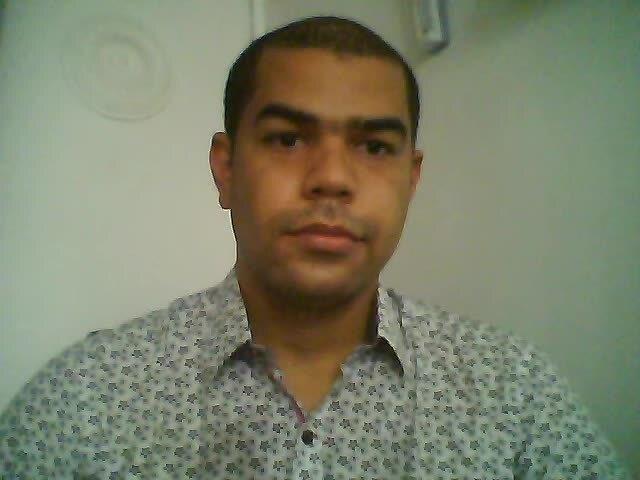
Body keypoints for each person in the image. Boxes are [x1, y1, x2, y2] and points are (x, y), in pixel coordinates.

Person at [0, 15, 631, 479]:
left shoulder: (515, 395)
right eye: (287, 139)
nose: (332, 177)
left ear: (410, 180)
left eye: (375, 147)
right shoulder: (82, 401)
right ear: (226, 169)